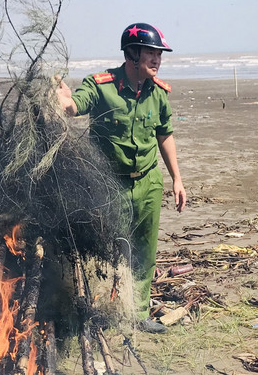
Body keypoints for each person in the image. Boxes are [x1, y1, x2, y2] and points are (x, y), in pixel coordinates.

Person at [56, 22, 186, 333]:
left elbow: (164, 135)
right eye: (151, 53)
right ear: (132, 53)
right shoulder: (103, 86)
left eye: (159, 54)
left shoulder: (158, 93)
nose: (157, 59)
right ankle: (102, 308)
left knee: (144, 249)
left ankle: (138, 313)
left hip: (148, 183)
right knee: (106, 248)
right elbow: (77, 104)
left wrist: (176, 180)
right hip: (108, 185)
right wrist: (65, 101)